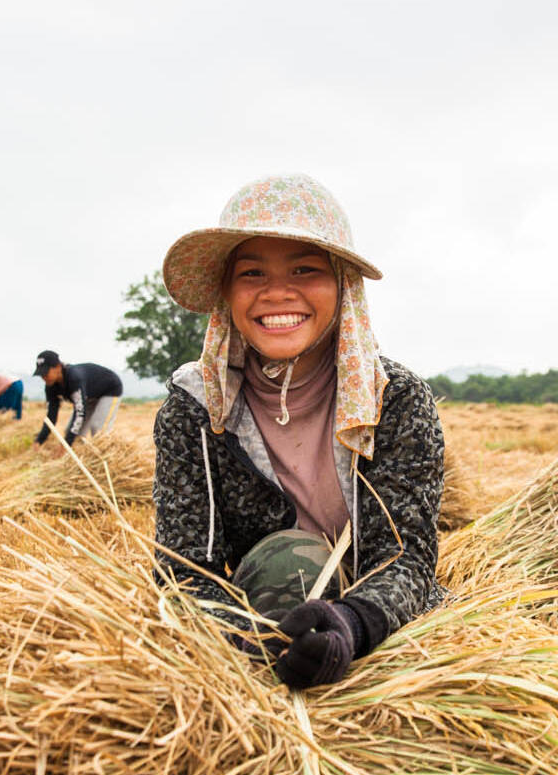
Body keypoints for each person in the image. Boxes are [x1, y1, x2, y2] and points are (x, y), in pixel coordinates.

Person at [154, 173, 445, 690]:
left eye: (305, 269)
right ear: (227, 291)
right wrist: (244, 640)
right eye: (252, 273)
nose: (277, 293)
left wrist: (350, 625)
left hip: (374, 623)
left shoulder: (394, 398)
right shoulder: (195, 406)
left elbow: (408, 560)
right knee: (293, 561)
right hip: (258, 615)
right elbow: (184, 569)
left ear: (342, 284)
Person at [32, 351, 122, 448]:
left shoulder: (74, 377)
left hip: (109, 390)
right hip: (89, 397)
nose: (43, 377)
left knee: (98, 429)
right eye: (41, 374)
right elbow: (51, 415)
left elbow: (79, 413)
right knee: (71, 433)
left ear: (58, 367)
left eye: (46, 373)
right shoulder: (51, 386)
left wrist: (66, 444)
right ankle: (79, 454)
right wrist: (39, 440)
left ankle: (104, 454)